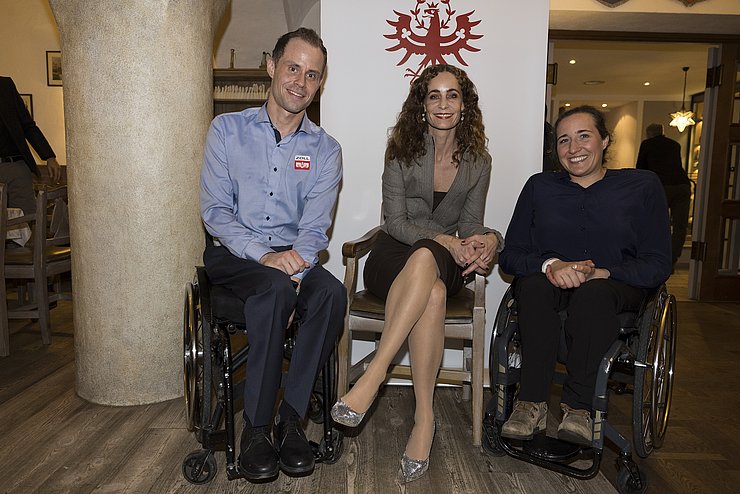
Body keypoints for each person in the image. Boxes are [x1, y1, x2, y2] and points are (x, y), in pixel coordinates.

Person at [330, 64, 503, 483]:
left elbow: (470, 224)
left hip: (446, 257)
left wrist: (491, 238)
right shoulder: (401, 150)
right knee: (434, 293)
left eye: (452, 95)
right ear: (421, 105)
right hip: (395, 255)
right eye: (433, 95)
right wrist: (444, 241)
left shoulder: (479, 161)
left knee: (433, 270)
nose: (443, 104)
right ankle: (424, 419)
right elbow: (396, 221)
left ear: (465, 105)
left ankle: (375, 376)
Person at [200, 28, 345, 482]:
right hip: (234, 254)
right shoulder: (226, 130)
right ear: (271, 65)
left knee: (333, 294)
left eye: (313, 74)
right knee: (274, 284)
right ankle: (255, 429)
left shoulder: (326, 150)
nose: (301, 81)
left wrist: (295, 268)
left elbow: (314, 228)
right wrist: (264, 256)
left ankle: (290, 422)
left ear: (320, 84)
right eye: (293, 67)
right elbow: (216, 212)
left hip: (294, 260)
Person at [498, 106, 671, 446]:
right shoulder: (540, 186)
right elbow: (511, 255)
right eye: (564, 140)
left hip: (616, 288)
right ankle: (531, 403)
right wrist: (552, 265)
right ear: (556, 150)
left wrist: (604, 272)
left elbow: (657, 263)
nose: (573, 148)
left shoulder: (641, 185)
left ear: (605, 140)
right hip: (552, 283)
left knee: (594, 295)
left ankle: (579, 408)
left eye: (584, 136)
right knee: (530, 286)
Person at [0, 76, 62, 214]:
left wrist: (49, 156)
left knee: (27, 218)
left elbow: (27, 124)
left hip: (15, 166)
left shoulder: (5, 85)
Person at [636, 123, 692, 270]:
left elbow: (641, 169)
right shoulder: (675, 145)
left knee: (659, 225)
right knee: (680, 226)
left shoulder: (647, 144)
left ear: (648, 133)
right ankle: (672, 259)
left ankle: (659, 260)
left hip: (661, 186)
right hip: (682, 185)